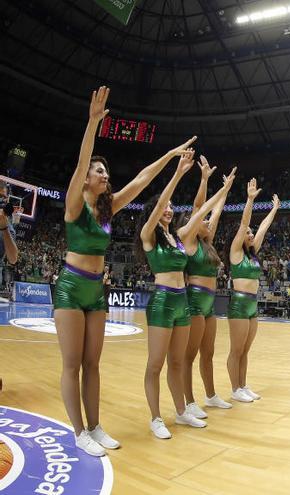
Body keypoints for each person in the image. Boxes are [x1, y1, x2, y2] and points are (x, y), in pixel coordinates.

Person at [54, 86, 196, 456]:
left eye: (105, 171)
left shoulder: (107, 208)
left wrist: (169, 155)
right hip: (70, 288)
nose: (105, 175)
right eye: (99, 171)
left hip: (96, 291)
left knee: (92, 363)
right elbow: (83, 158)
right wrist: (92, 124)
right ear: (86, 179)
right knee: (72, 365)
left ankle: (96, 426)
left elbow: (142, 181)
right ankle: (79, 431)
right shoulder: (74, 204)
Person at [136, 149, 235, 439]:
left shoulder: (178, 238)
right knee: (155, 363)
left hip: (182, 302)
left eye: (170, 206)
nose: (168, 209)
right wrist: (178, 174)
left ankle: (180, 412)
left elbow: (202, 211)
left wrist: (224, 189)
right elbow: (162, 211)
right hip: (162, 303)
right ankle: (155, 418)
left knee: (177, 362)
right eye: (163, 206)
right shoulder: (148, 234)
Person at [182, 158, 237, 419]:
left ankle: (211, 395)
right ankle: (188, 401)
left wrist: (226, 190)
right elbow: (200, 208)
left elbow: (215, 212)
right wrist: (204, 180)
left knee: (209, 353)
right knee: (189, 355)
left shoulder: (207, 242)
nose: (207, 221)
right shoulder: (190, 241)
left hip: (210, 303)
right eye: (202, 220)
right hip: (193, 302)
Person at [227, 180, 280, 403]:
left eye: (251, 232)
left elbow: (263, 227)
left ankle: (243, 385)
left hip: (252, 304)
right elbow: (244, 224)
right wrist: (250, 199)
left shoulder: (252, 252)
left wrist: (275, 209)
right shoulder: (236, 253)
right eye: (247, 232)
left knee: (245, 351)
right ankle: (234, 389)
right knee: (236, 350)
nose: (250, 234)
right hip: (238, 304)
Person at [0, 181, 19, 395]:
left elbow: (13, 258)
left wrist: (4, 227)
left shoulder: (7, 224)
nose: (2, 201)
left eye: (4, 198)